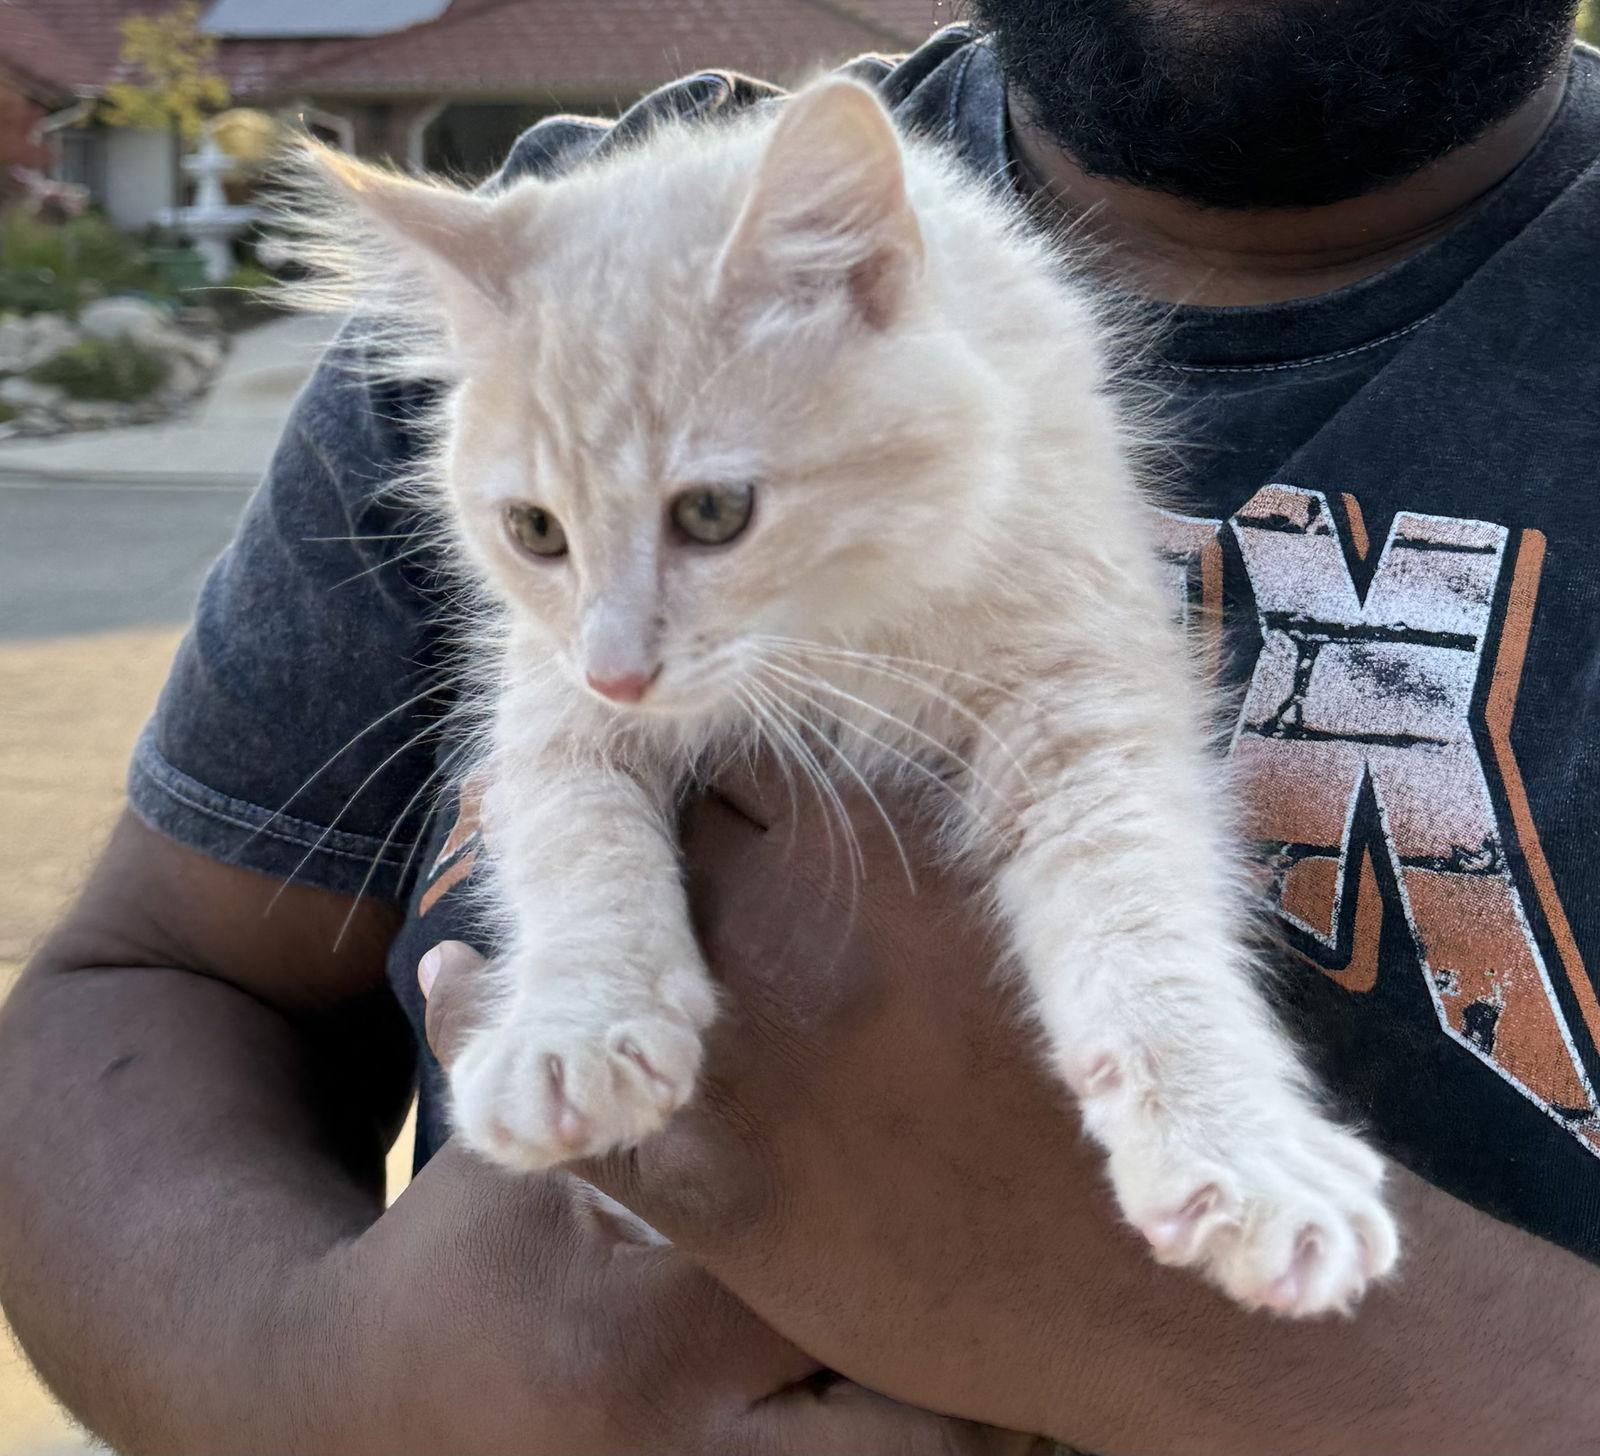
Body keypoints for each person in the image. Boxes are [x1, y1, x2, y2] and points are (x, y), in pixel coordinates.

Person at [4, 2, 1600, 1450]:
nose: (613, 655)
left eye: (706, 511)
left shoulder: (931, 355)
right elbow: (199, 951)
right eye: (538, 540)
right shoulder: (562, 250)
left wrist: (1225, 1325)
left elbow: (1089, 751)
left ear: (868, 282)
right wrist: (370, 1380)